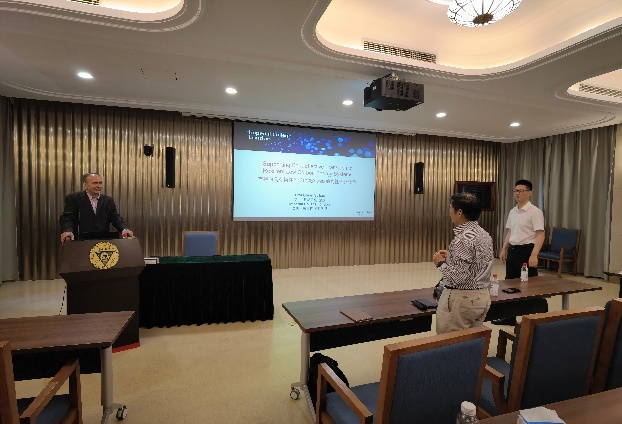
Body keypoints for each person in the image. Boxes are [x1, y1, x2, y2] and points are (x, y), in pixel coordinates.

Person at [432, 193, 493, 334]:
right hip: (482, 297)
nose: (449, 212)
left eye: (450, 208)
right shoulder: (484, 234)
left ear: (459, 213)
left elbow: (457, 278)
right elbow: (476, 262)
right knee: (472, 342)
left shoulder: (462, 239)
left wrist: (440, 263)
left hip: (462, 300)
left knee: (450, 343)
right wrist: (451, 256)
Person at [494, 179, 545, 325]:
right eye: (515, 191)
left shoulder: (535, 212)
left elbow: (540, 234)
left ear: (529, 193)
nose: (517, 193)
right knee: (510, 284)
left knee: (528, 285)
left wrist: (534, 255)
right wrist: (504, 249)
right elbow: (510, 231)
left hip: (527, 251)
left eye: (521, 191)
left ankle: (534, 319)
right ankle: (509, 317)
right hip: (513, 250)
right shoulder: (513, 211)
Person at [59, 172, 133, 244]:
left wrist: (124, 229)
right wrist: (67, 230)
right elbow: (67, 217)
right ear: (85, 185)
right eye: (95, 183)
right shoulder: (74, 198)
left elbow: (115, 218)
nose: (99, 186)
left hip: (102, 242)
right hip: (81, 241)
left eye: (100, 183)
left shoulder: (108, 200)